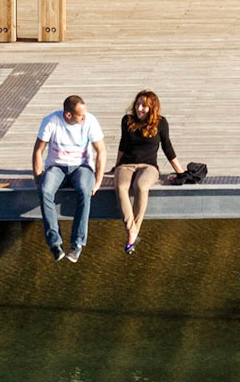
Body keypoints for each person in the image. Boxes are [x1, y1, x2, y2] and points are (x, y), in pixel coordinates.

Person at [31, 93, 106, 263]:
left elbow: (101, 151)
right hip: (57, 166)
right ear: (68, 115)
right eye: (80, 115)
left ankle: (78, 243)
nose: (84, 117)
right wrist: (38, 179)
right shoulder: (51, 121)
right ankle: (54, 242)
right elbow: (38, 150)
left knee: (85, 190)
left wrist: (98, 180)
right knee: (45, 190)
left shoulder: (90, 121)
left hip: (81, 166)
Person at [114, 90, 181, 253]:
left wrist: (180, 171)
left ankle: (133, 232)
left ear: (152, 107)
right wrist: (116, 165)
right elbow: (123, 144)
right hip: (127, 164)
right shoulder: (127, 120)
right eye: (138, 104)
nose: (139, 109)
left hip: (149, 166)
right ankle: (132, 232)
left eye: (144, 106)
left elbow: (167, 147)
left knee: (141, 186)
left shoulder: (161, 123)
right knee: (121, 187)